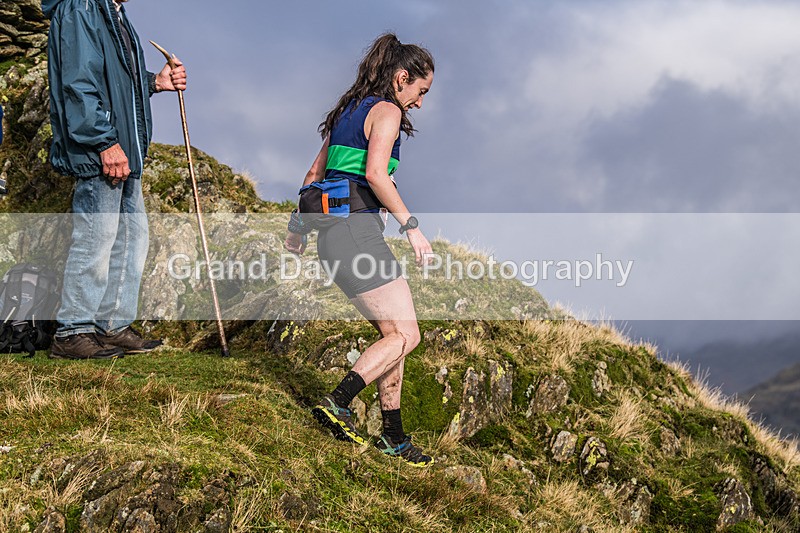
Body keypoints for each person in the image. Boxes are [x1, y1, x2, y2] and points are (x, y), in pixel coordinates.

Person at [285, 33, 435, 467]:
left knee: (396, 335)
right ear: (401, 77)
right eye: (420, 91)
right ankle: (338, 401)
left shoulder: (348, 112)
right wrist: (412, 227)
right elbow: (376, 174)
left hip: (332, 239)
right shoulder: (385, 110)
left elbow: (314, 171)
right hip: (357, 233)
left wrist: (297, 228)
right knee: (408, 336)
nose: (420, 103)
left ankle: (393, 436)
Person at [42, 0, 186, 359]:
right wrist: (103, 141)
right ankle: (73, 330)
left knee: (131, 239)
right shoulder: (81, 8)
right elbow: (79, 82)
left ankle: (112, 326)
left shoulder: (113, 13)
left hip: (125, 151)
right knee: (97, 236)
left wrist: (156, 81)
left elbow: (118, 81)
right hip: (102, 150)